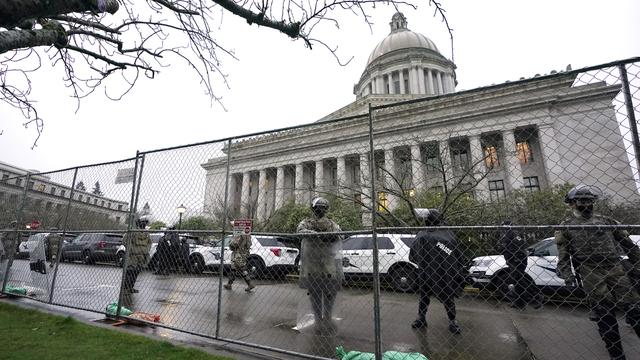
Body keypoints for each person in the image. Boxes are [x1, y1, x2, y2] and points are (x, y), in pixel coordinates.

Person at [555, 185, 640, 360]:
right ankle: (617, 355)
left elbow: (628, 244)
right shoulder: (567, 226)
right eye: (581, 201)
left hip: (614, 267)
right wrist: (567, 274)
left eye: (589, 200)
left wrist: (637, 262)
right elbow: (563, 254)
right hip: (590, 270)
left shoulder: (606, 221)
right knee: (604, 314)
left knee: (634, 308)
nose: (585, 204)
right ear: (572, 204)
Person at [409, 208, 466, 334]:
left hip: (440, 272)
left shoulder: (440, 234)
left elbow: (452, 252)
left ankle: (452, 321)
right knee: (426, 296)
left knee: (445, 296)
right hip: (433, 272)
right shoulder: (427, 234)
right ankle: (422, 318)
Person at [297, 197, 343, 331]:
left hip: (328, 261)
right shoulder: (307, 222)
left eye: (323, 207)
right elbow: (299, 231)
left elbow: (340, 235)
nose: (320, 210)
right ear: (313, 208)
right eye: (318, 207)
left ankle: (327, 318)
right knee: (315, 292)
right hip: (312, 262)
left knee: (330, 292)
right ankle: (318, 319)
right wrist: (315, 234)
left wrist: (331, 236)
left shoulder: (331, 223)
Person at [497, 220, 543, 309]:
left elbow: (520, 247)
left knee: (518, 280)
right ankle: (519, 303)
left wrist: (516, 258)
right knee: (517, 281)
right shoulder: (507, 234)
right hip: (512, 260)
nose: (502, 227)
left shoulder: (512, 233)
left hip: (517, 261)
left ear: (508, 226)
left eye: (503, 225)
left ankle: (536, 296)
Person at [123, 215, 152, 294]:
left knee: (136, 273)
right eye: (143, 223)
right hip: (132, 256)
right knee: (130, 272)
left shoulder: (146, 233)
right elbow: (125, 240)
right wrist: (131, 249)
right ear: (139, 223)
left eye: (145, 223)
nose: (144, 224)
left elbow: (149, 243)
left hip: (141, 256)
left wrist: (146, 250)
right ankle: (125, 289)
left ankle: (131, 287)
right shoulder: (133, 231)